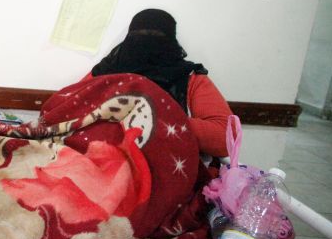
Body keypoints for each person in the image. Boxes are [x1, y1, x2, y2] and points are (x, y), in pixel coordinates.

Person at [87, 9, 232, 157]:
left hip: (172, 165)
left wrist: (156, 118)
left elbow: (225, 138)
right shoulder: (104, 72)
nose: (146, 44)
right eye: (139, 35)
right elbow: (74, 109)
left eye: (157, 37)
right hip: (103, 162)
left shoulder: (190, 78)